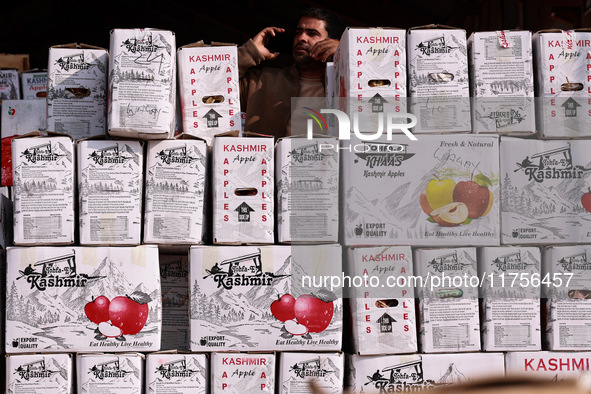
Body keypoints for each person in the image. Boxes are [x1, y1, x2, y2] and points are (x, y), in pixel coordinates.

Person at [238, 8, 345, 138]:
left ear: (332, 42)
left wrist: (345, 52)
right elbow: (212, 87)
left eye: (312, 34)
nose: (301, 38)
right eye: (298, 32)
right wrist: (249, 53)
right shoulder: (261, 82)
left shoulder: (347, 85)